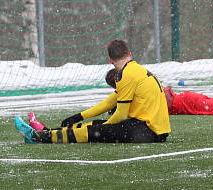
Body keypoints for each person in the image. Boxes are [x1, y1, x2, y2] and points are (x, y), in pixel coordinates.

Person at [26, 70, 213, 130]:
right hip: (186, 101)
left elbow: (110, 110)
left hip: (188, 103)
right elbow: (105, 106)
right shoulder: (126, 89)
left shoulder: (130, 87)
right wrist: (78, 117)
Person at [14, 39, 170, 144]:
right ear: (130, 54)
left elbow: (121, 114)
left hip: (147, 132)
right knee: (95, 125)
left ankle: (41, 137)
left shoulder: (126, 75)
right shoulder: (136, 70)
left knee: (94, 130)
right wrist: (79, 116)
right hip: (152, 130)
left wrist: (103, 128)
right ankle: (48, 132)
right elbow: (109, 102)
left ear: (110, 60)